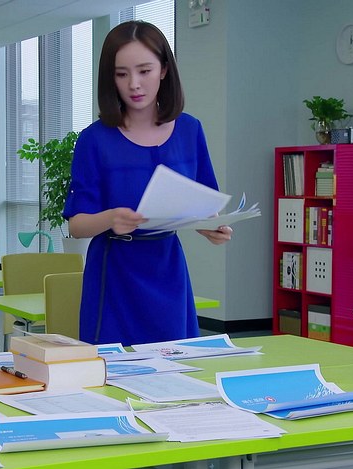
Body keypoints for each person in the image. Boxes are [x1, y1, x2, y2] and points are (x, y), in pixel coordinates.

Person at [63, 20, 232, 346]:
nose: (134, 84)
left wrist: (213, 227)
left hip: (168, 268)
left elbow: (201, 206)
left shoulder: (190, 130)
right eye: (121, 74)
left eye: (144, 71)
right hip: (114, 273)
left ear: (164, 70)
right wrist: (110, 218)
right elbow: (77, 225)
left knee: (179, 362)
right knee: (113, 367)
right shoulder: (94, 140)